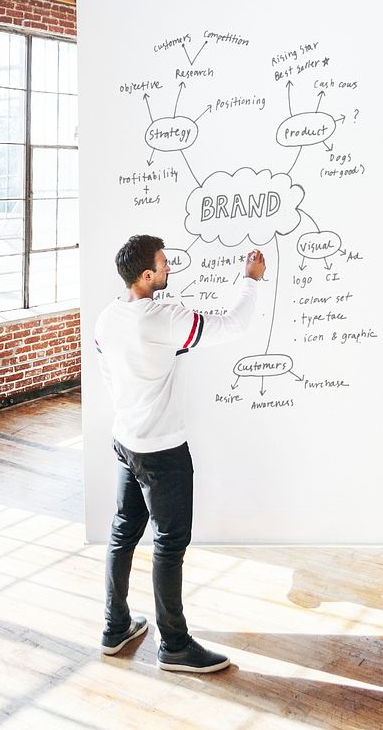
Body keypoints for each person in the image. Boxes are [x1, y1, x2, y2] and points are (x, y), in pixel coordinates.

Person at [95, 234, 265, 673]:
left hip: (125, 441)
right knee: (169, 544)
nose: (170, 268)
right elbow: (233, 325)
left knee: (122, 533)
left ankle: (115, 629)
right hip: (163, 451)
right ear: (147, 275)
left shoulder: (106, 320)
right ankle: (174, 645)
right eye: (164, 264)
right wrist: (251, 281)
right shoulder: (164, 317)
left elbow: (109, 377)